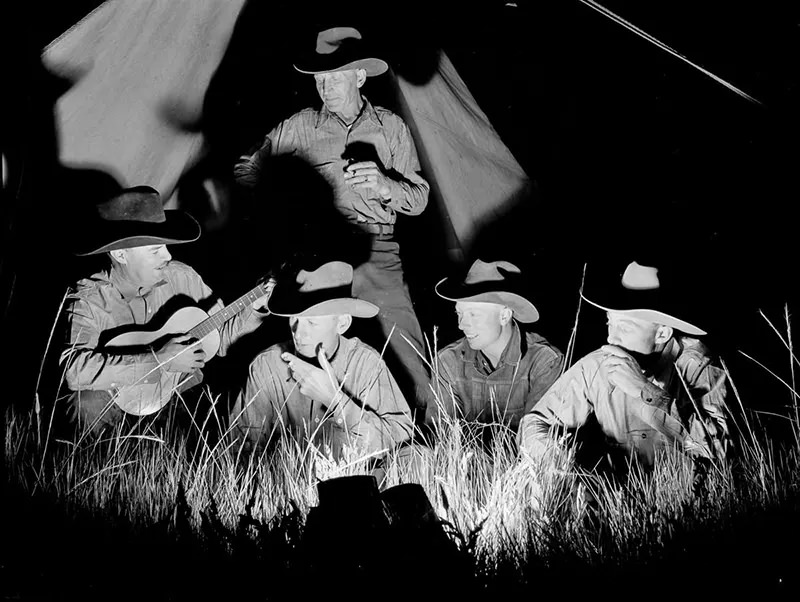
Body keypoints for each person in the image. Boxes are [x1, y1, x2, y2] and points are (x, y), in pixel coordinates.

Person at [234, 26, 431, 422]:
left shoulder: (390, 127)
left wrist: (386, 184)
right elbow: (244, 170)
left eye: (334, 76)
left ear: (359, 76)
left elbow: (420, 199)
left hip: (377, 250)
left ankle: (420, 436)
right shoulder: (300, 126)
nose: (324, 87)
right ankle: (307, 433)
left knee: (404, 345)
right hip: (315, 254)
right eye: (319, 79)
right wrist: (290, 190)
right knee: (298, 344)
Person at [59, 186, 272, 435]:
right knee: (86, 402)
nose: (168, 255)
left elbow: (219, 338)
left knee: (212, 402)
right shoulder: (89, 298)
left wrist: (255, 307)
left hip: (176, 397)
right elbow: (74, 370)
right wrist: (159, 360)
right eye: (155, 250)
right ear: (120, 254)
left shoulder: (182, 278)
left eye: (165, 246)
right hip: (114, 404)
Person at [518, 260, 731, 476]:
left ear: (662, 334)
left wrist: (646, 392)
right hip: (616, 496)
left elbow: (719, 450)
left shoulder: (698, 367)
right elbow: (534, 422)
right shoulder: (600, 364)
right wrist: (557, 463)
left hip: (690, 499)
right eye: (610, 323)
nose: (611, 337)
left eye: (625, 327)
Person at [229, 260, 414, 460]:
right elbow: (241, 447)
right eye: (294, 318)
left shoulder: (365, 362)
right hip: (293, 480)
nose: (298, 333)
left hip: (357, 479)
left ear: (342, 323)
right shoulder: (268, 365)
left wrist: (337, 401)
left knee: (419, 456)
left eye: (312, 322)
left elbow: (400, 441)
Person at [424, 259, 564, 436]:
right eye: (459, 313)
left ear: (504, 315)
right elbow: (440, 437)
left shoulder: (544, 362)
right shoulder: (447, 362)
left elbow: (537, 441)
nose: (461, 325)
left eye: (473, 314)